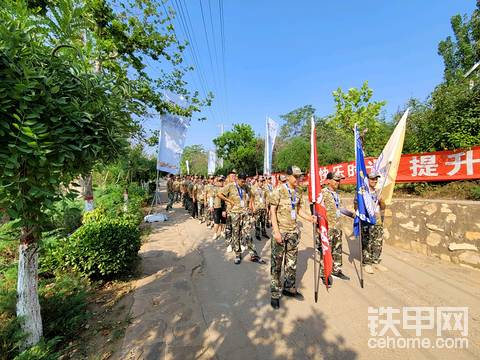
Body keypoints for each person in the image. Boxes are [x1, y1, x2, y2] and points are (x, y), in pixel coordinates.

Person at [270, 165, 317, 310]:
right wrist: (276, 232)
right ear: (288, 176)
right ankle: (275, 294)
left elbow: (297, 210)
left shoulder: (297, 192)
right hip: (281, 232)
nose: (298, 179)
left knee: (291, 263)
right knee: (277, 264)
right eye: (296, 176)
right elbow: (272, 211)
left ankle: (289, 288)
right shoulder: (278, 190)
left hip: (293, 233)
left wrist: (310, 218)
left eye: (299, 176)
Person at [218, 173, 266, 265]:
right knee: (236, 233)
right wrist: (229, 201)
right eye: (242, 181)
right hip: (235, 214)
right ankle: (237, 254)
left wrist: (251, 205)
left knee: (247, 233)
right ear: (237, 179)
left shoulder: (246, 186)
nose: (243, 183)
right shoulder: (230, 186)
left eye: (245, 181)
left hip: (244, 213)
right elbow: (219, 194)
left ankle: (253, 255)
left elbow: (252, 194)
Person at [320, 171, 350, 281]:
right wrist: (319, 226)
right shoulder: (323, 193)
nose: (338, 182)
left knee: (337, 250)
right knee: (326, 251)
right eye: (336, 180)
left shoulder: (337, 195)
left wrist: (353, 215)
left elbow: (340, 209)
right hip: (327, 227)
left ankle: (336, 270)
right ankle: (324, 273)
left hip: (337, 227)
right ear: (329, 180)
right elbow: (316, 209)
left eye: (339, 180)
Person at [360, 172, 387, 274]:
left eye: (376, 179)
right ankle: (367, 263)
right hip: (367, 221)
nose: (374, 181)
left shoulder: (378, 192)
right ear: (367, 180)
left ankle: (376, 261)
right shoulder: (362, 193)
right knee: (367, 242)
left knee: (378, 242)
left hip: (377, 220)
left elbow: (383, 207)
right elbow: (356, 206)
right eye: (372, 179)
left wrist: (382, 201)